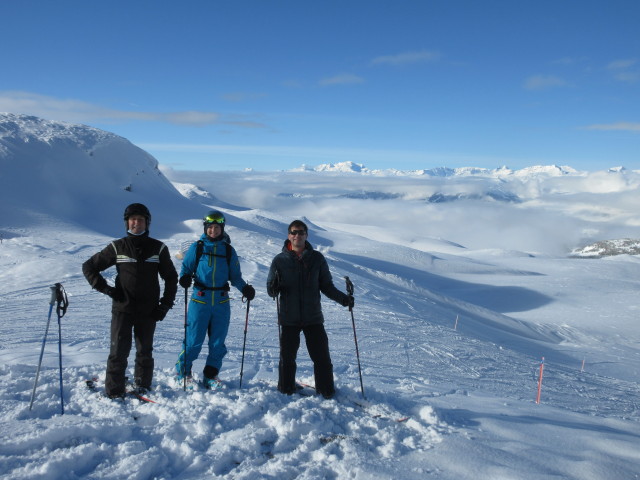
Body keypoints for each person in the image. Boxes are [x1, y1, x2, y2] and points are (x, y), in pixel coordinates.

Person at [82, 203, 178, 398]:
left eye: (140, 220)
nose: (136, 223)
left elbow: (171, 277)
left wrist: (165, 305)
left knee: (145, 352)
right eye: (133, 219)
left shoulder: (158, 248)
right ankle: (114, 391)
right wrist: (107, 289)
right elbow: (89, 267)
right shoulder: (118, 247)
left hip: (149, 310)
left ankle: (142, 386)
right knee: (118, 353)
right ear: (127, 222)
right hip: (122, 309)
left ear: (147, 223)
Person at [266, 220, 353, 399]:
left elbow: (326, 286)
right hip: (289, 317)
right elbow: (270, 289)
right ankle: (286, 388)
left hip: (313, 316)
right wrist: (273, 288)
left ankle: (326, 390)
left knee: (321, 357)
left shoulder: (317, 259)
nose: (297, 235)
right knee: (287, 357)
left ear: (306, 235)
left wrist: (344, 300)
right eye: (293, 232)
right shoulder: (279, 260)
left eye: (301, 232)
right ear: (288, 235)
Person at [176, 210, 255, 388]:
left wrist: (245, 289)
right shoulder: (197, 247)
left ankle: (210, 375)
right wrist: (184, 279)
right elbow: (186, 269)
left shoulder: (228, 250)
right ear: (205, 228)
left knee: (217, 342)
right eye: (210, 227)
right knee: (193, 341)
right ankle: (183, 372)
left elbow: (235, 277)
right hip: (200, 299)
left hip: (221, 301)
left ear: (222, 228)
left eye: (217, 227)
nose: (213, 230)